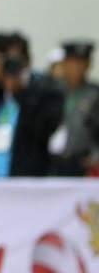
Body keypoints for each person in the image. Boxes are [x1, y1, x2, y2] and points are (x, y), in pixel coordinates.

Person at [0, 32, 64, 177]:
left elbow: (45, 129)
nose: (10, 66)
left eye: (15, 60)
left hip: (21, 183)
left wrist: (21, 92)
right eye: (5, 60)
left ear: (27, 61)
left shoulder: (45, 91)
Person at [49, 41, 99, 176]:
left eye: (81, 63)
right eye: (72, 63)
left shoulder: (94, 95)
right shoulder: (51, 92)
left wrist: (95, 156)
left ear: (88, 65)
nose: (77, 68)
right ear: (64, 64)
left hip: (79, 162)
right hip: (51, 161)